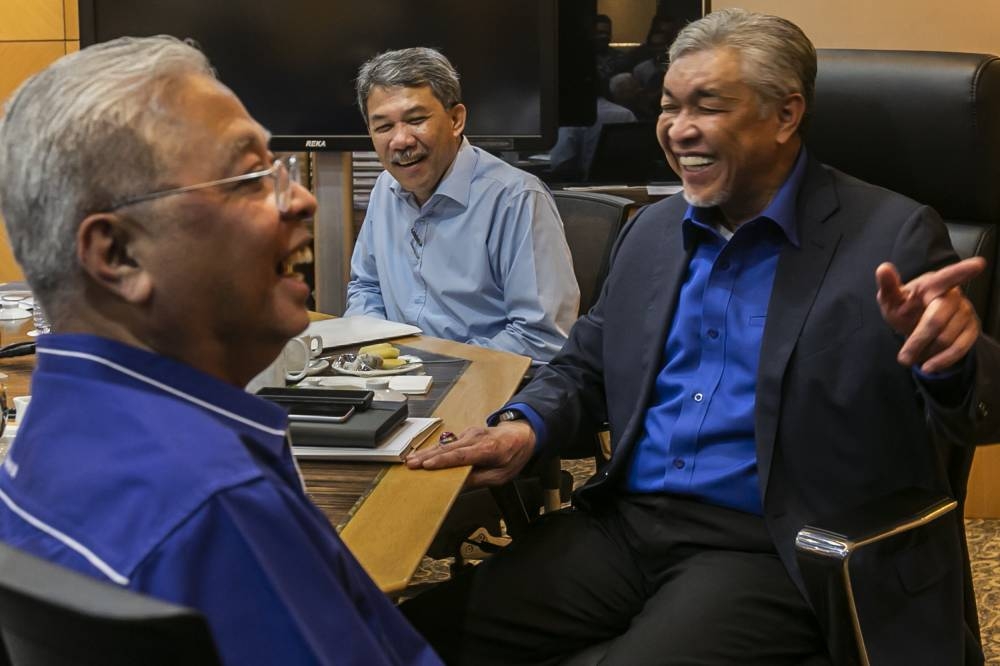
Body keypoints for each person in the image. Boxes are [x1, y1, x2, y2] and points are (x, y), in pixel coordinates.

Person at [401, 9, 1000, 665]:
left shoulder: (890, 236)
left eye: (706, 106)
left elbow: (978, 406)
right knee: (400, 636)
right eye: (668, 106)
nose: (677, 131)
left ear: (785, 115)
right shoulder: (653, 231)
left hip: (767, 548)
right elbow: (585, 367)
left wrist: (952, 359)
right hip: (623, 527)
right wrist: (526, 426)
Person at [0, 36, 439, 666]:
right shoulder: (217, 507)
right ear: (118, 255)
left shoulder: (46, 433)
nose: (302, 198)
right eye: (250, 179)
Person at [345, 47, 579, 363]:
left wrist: (433, 365)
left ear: (456, 119)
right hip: (394, 380)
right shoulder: (384, 189)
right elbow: (366, 288)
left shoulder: (516, 199)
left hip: (486, 384)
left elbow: (542, 337)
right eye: (384, 127)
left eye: (416, 120)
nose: (400, 140)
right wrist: (377, 356)